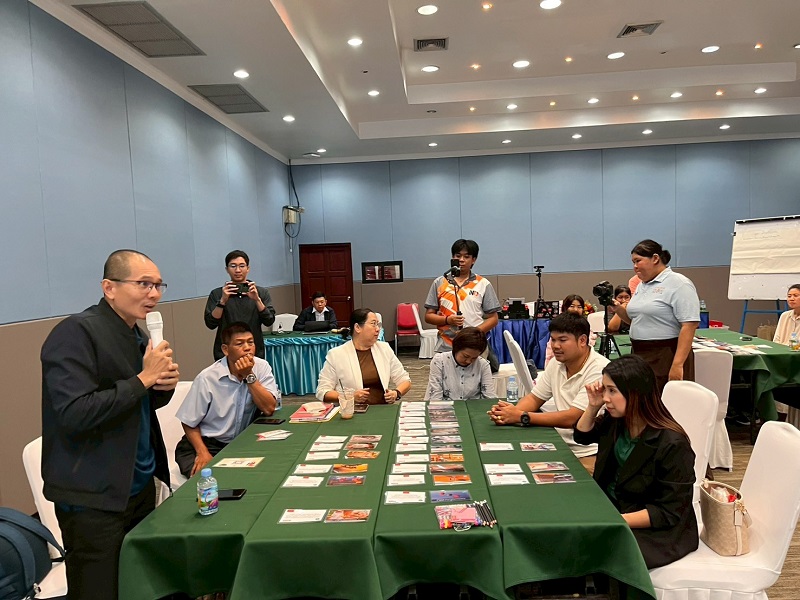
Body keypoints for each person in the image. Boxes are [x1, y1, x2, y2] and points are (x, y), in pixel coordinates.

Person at [40, 249, 180, 599]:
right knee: (99, 590)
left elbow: (137, 406)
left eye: (158, 285)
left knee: (138, 586)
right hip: (94, 496)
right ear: (109, 288)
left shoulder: (138, 336)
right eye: (144, 284)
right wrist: (144, 380)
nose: (154, 294)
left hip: (139, 486)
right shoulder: (75, 333)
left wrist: (161, 387)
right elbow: (75, 413)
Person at [574, 354, 698, 569]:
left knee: (592, 546)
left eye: (612, 391)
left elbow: (669, 512)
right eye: (604, 390)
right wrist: (592, 406)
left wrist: (615, 520)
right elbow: (582, 435)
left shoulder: (673, 444)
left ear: (635, 393)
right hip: (614, 507)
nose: (605, 398)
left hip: (655, 529)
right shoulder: (618, 421)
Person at [489, 313, 609, 471]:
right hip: (556, 442)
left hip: (586, 452)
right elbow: (534, 398)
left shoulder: (600, 369)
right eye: (553, 339)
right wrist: (508, 414)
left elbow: (573, 417)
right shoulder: (556, 363)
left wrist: (521, 416)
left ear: (582, 340)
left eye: (562, 340)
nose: (555, 346)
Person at [175, 323, 280, 478]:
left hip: (240, 443)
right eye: (240, 344)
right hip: (205, 444)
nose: (247, 348)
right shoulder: (208, 378)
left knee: (267, 472)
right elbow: (188, 422)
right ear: (225, 349)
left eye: (250, 342)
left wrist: (249, 375)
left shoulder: (261, 367)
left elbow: (269, 408)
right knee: (210, 480)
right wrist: (203, 452)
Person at [613, 239, 700, 392]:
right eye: (633, 262)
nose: (635, 266)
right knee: (642, 400)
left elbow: (690, 325)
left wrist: (677, 364)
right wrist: (617, 309)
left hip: (665, 354)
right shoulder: (642, 285)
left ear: (655, 258)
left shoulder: (679, 283)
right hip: (639, 353)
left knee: (665, 401)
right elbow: (636, 320)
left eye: (638, 261)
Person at [424, 239, 501, 370]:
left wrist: (473, 333)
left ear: (474, 260)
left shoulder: (483, 284)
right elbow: (428, 316)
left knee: (477, 380)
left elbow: (493, 318)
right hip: (446, 345)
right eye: (458, 256)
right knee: (446, 380)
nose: (461, 260)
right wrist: (448, 320)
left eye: (466, 256)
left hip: (475, 347)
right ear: (452, 257)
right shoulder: (440, 282)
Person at [317, 308, 411, 405]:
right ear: (357, 327)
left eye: (378, 324)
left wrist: (396, 393)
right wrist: (349, 396)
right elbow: (322, 391)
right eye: (373, 324)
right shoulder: (336, 354)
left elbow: (405, 380)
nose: (378, 329)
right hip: (352, 410)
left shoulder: (384, 349)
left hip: (382, 408)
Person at [204, 249, 276, 361]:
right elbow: (210, 324)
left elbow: (269, 321)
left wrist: (257, 300)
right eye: (233, 266)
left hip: (253, 351)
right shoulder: (217, 293)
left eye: (242, 266)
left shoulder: (261, 293)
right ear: (227, 269)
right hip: (225, 352)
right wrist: (222, 301)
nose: (237, 270)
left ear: (248, 268)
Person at [425, 327, 496, 401]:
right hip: (445, 406)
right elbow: (435, 396)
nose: (468, 361)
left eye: (474, 358)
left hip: (474, 406)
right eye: (465, 356)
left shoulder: (483, 365)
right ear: (456, 348)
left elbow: (489, 396)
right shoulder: (440, 361)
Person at [772, 284, 800, 423]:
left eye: (795, 296)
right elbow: (776, 340)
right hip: (782, 358)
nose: (791, 299)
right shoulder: (784, 316)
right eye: (789, 296)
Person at [545, 294, 598, 366]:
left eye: (579, 307)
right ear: (565, 307)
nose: (575, 309)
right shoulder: (558, 324)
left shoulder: (585, 325)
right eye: (572, 306)